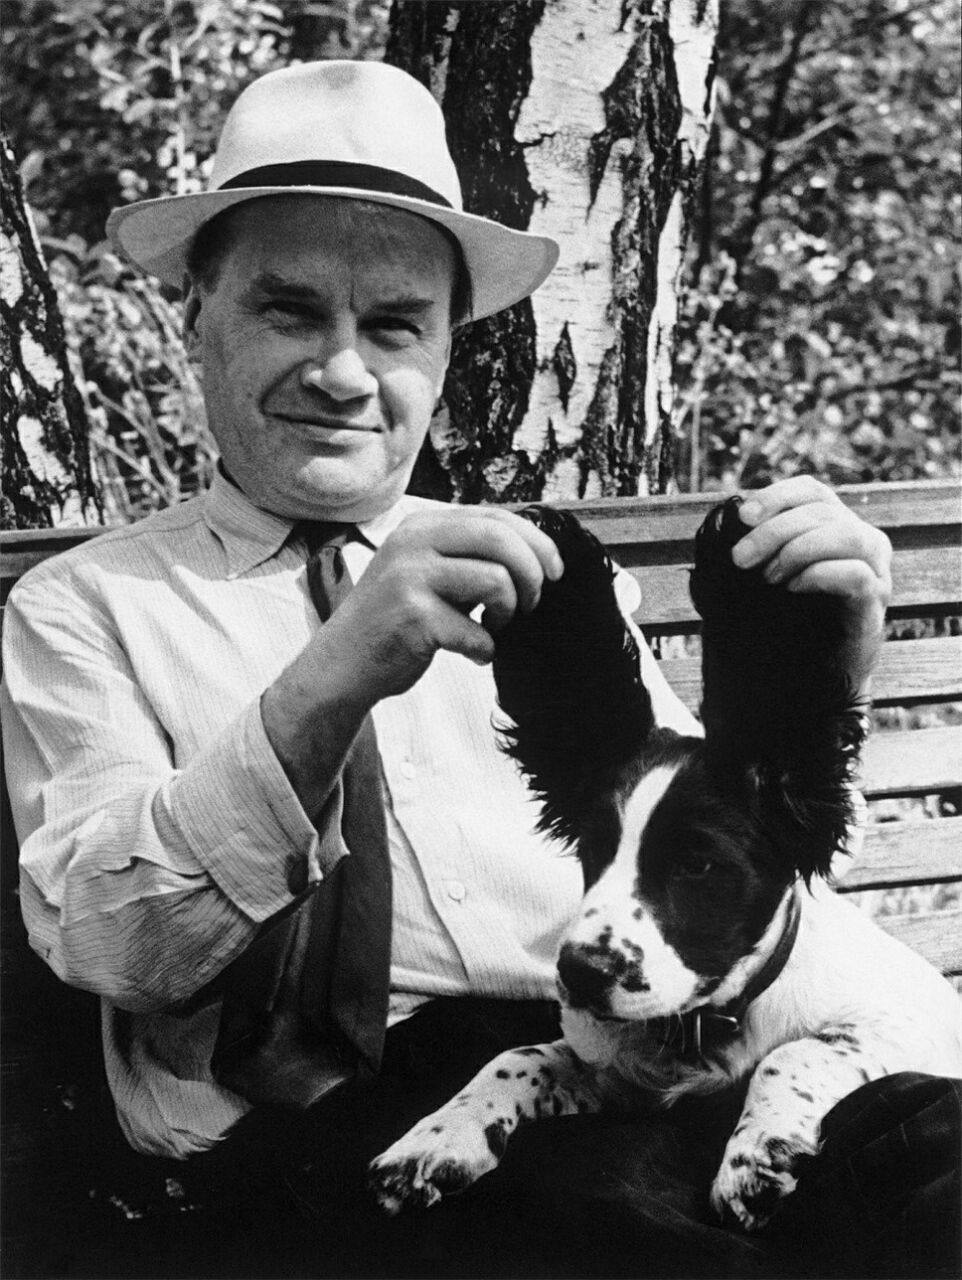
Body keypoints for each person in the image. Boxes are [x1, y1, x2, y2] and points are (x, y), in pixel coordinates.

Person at [2, 60, 957, 1280]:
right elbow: (114, 946)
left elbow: (730, 852)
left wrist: (825, 672)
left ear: (447, 346)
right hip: (345, 1144)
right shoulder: (83, 608)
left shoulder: (538, 582)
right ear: (195, 313)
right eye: (289, 310)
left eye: (393, 325)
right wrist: (326, 682)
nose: (343, 371)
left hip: (641, 1059)